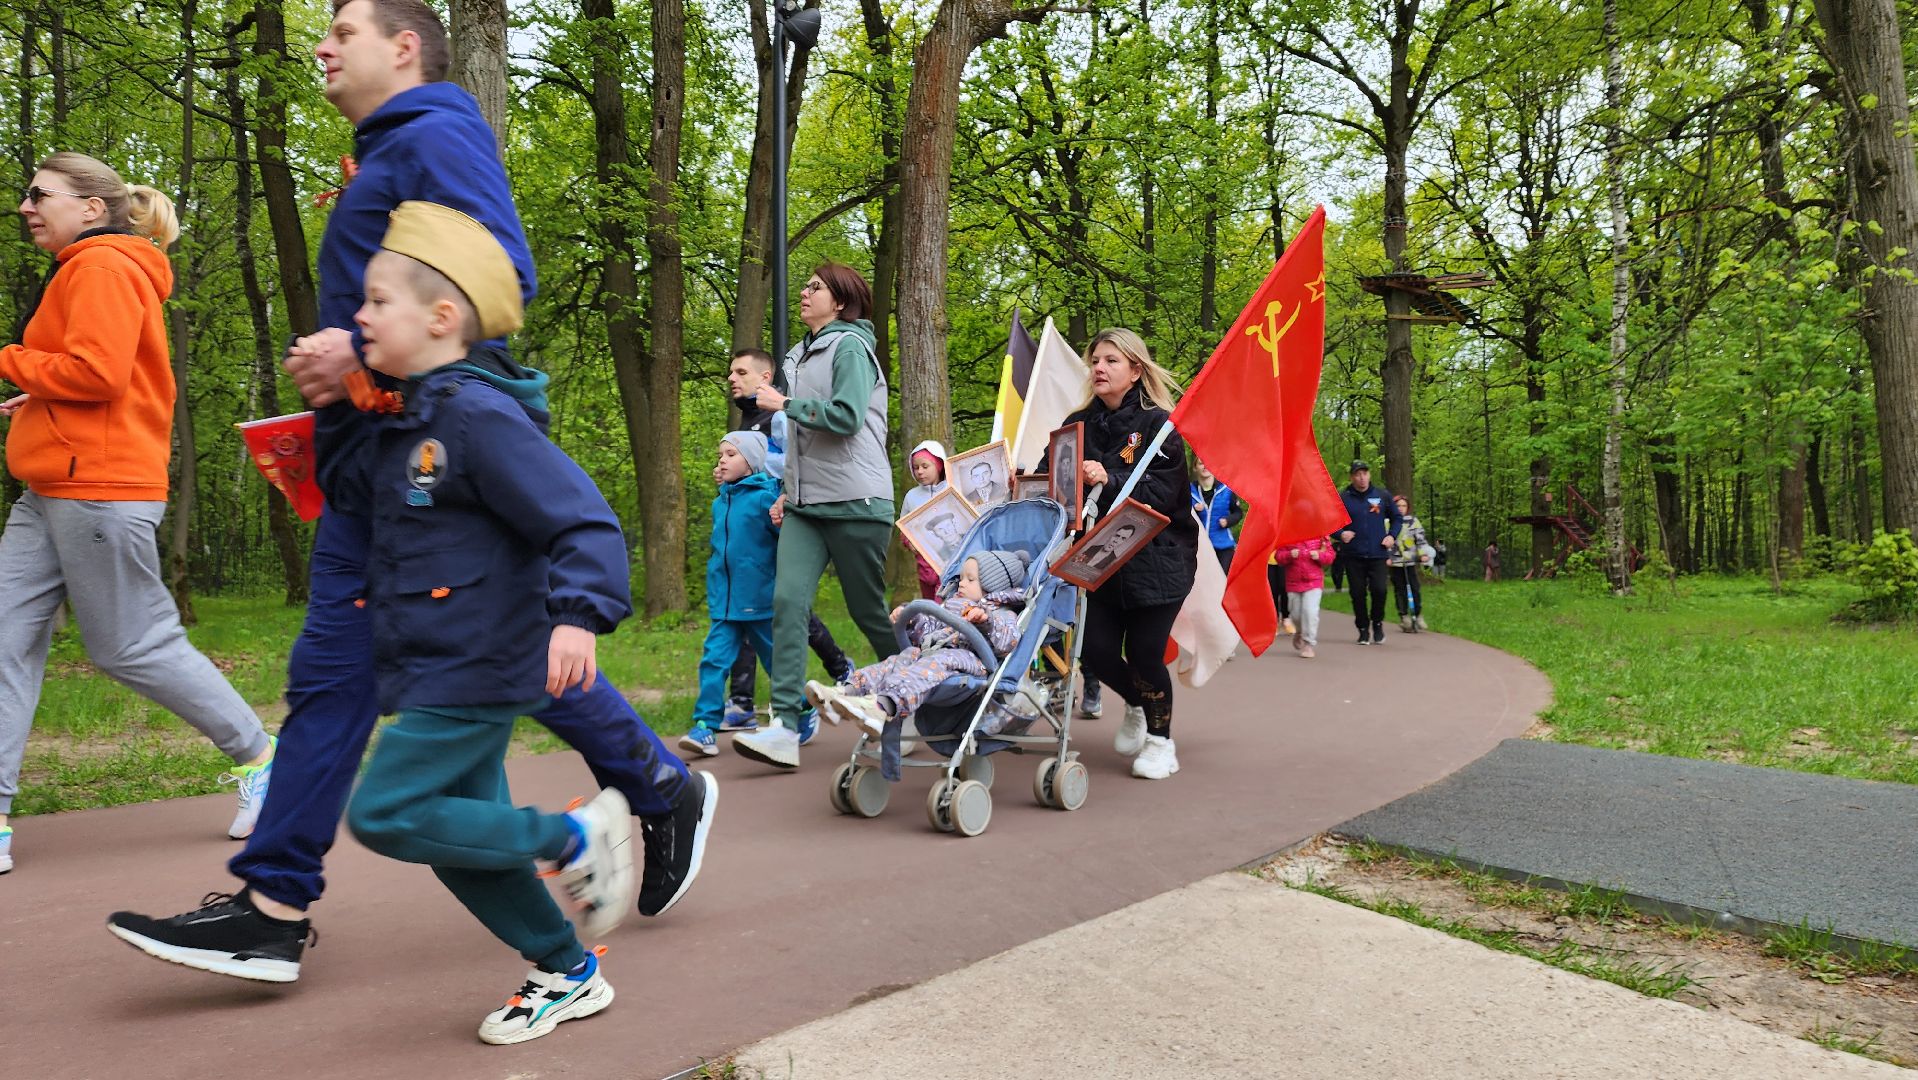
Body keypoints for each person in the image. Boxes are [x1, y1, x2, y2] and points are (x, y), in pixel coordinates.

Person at [107, 0, 711, 982]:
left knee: (473, 658)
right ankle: (281, 904)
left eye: (342, 31)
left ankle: (628, 803)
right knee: (363, 676)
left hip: (436, 448)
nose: (321, 45)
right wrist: (345, 393)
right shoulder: (388, 150)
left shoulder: (436, 135)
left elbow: (500, 275)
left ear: (403, 48)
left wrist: (357, 355)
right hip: (374, 450)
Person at [328, 203, 636, 1044]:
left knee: (387, 813)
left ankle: (574, 835)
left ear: (441, 317)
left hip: (476, 662)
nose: (359, 315)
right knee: (458, 838)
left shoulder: (475, 416)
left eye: (377, 301)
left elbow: (582, 519)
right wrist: (342, 403)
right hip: (432, 659)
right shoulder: (408, 420)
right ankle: (567, 970)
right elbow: (361, 505)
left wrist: (578, 616)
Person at [0, 153, 276, 876]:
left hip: (96, 487)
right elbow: (94, 373)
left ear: (91, 208)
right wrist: (40, 391)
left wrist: (12, 360)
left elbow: (98, 373)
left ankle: (262, 758)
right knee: (4, 641)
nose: (26, 206)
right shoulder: (88, 268)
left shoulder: (101, 266)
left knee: (130, 645)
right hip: (50, 485)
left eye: (40, 194)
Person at [733, 263, 894, 770]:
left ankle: (917, 700)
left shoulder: (851, 348)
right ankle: (785, 725)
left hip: (856, 500)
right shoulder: (798, 355)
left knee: (868, 612)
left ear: (840, 302)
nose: (804, 292)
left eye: (816, 287)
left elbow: (846, 418)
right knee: (786, 603)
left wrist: (786, 402)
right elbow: (799, 440)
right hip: (806, 506)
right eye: (804, 285)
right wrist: (788, 491)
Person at [1055, 328, 1196, 782]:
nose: (1099, 368)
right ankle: (1136, 704)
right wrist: (1029, 484)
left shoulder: (1160, 426)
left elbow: (1161, 492)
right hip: (1100, 560)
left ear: (1135, 371)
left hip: (1159, 558)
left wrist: (1108, 478)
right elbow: (1052, 474)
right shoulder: (1077, 423)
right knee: (1093, 651)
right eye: (1095, 360)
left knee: (1144, 653)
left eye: (1111, 361)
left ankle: (1161, 742)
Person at [722, 347, 853, 728]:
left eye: (741, 372)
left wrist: (781, 494)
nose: (732, 378)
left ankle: (841, 670)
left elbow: (800, 463)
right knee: (749, 605)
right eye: (731, 372)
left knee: (785, 607)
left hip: (783, 523)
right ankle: (742, 703)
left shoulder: (780, 414)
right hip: (750, 527)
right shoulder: (747, 419)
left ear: (765, 377)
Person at [808, 550, 1030, 749]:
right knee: (902, 658)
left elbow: (1008, 641)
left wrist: (986, 621)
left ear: (992, 586)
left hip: (969, 661)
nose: (961, 584)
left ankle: (883, 705)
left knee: (937, 661)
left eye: (970, 579)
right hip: (933, 654)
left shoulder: (1003, 614)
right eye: (961, 578)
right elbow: (929, 628)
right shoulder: (953, 605)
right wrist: (912, 618)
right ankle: (845, 693)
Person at [680, 432, 780, 757]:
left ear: (751, 463)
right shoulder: (720, 501)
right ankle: (705, 726)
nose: (722, 460)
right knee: (713, 660)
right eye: (720, 455)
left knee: (776, 662)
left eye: (731, 454)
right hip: (724, 602)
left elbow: (785, 539)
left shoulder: (766, 498)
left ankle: (802, 710)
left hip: (759, 600)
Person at [1330, 460, 1402, 646]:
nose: (1362, 478)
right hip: (1353, 555)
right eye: (1358, 474)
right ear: (1352, 477)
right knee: (1357, 593)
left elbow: (1397, 518)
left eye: (1365, 473)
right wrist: (1340, 534)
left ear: (1369, 475)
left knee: (1379, 590)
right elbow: (1330, 522)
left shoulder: (1382, 495)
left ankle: (1377, 623)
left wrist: (1392, 536)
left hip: (1378, 553)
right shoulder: (1343, 498)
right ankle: (1362, 628)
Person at [1274, 534, 1337, 658]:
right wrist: (1289, 555)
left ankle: (1309, 643)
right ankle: (1300, 631)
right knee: (1295, 614)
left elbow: (1330, 556)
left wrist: (1319, 555)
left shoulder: (1321, 535)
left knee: (1310, 612)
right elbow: (1278, 557)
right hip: (1293, 581)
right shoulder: (1288, 535)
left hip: (1314, 581)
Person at [901, 440, 949, 599]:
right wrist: (909, 542)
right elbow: (904, 528)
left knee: (942, 605)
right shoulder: (911, 496)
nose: (920, 471)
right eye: (916, 467)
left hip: (950, 563)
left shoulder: (952, 490)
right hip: (924, 563)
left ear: (939, 465)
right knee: (928, 603)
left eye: (925, 466)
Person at [1388, 494, 1430, 633]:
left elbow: (1421, 539)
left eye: (1404, 506)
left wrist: (1423, 554)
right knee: (1400, 590)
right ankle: (1404, 616)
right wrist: (1387, 557)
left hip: (1410, 561)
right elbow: (1383, 541)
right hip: (1395, 562)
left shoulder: (1413, 521)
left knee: (1415, 588)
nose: (1401, 508)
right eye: (1398, 506)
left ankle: (1418, 615)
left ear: (1408, 507)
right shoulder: (1388, 522)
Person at [1190, 461, 1242, 572]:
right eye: (1201, 463)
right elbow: (1181, 515)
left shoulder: (1226, 489)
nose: (1205, 466)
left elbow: (1238, 513)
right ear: (1195, 468)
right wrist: (1194, 510)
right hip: (1198, 547)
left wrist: (1228, 520)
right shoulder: (1189, 491)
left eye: (1208, 463)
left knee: (1222, 580)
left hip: (1223, 546)